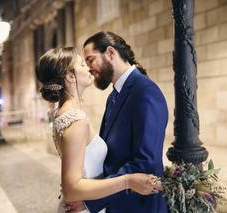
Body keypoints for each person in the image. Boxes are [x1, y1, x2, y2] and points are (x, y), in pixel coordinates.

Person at [35, 47, 161, 213]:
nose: (88, 68)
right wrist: (127, 181)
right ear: (70, 77)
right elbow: (71, 188)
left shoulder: (63, 113)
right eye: (81, 64)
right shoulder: (76, 120)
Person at [68, 31, 169, 213]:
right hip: (119, 203)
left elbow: (146, 162)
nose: (89, 68)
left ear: (111, 53)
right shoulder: (114, 96)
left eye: (90, 59)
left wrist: (92, 201)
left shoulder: (144, 91)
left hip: (139, 205)